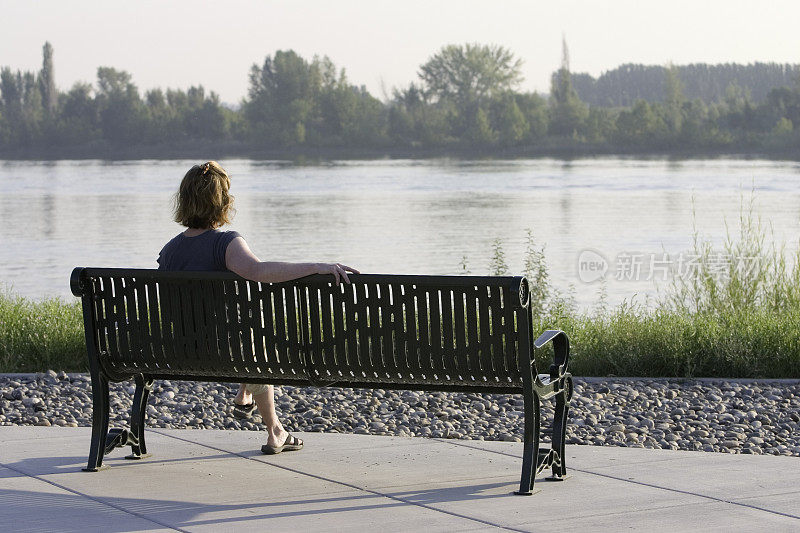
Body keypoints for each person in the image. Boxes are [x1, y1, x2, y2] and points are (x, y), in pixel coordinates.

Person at [157, 161, 358, 454]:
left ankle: (245, 394)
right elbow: (259, 271)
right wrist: (317, 266)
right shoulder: (225, 243)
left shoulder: (170, 250)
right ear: (224, 201)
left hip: (179, 351)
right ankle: (274, 430)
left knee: (241, 327)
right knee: (250, 340)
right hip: (228, 352)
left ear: (184, 200)